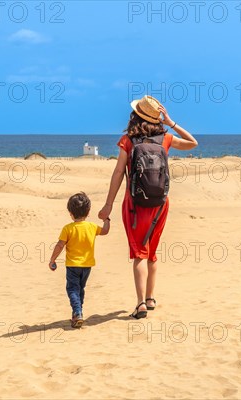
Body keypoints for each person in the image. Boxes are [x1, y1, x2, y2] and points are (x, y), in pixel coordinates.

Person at [98, 95, 198, 319]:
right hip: (160, 204)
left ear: (135, 116)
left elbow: (118, 174)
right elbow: (193, 143)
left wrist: (107, 205)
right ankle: (151, 298)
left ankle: (140, 303)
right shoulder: (165, 139)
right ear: (156, 118)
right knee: (151, 252)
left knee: (138, 253)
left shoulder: (128, 140)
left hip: (134, 204)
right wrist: (171, 123)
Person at [49, 192, 110, 328]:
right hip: (87, 266)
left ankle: (77, 312)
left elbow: (60, 245)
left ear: (70, 213)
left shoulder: (68, 229)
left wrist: (52, 259)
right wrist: (107, 219)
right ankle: (78, 313)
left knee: (72, 289)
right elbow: (105, 231)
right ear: (88, 212)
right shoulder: (92, 227)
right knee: (80, 289)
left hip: (72, 266)